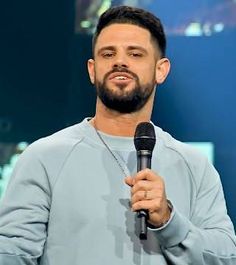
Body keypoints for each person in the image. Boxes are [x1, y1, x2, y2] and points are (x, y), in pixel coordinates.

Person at [0, 5, 235, 265]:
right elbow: (12, 254)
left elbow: (226, 257)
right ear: (92, 69)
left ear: (161, 70)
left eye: (135, 53)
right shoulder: (44, 157)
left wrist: (170, 221)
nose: (119, 61)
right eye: (108, 53)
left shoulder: (194, 165)